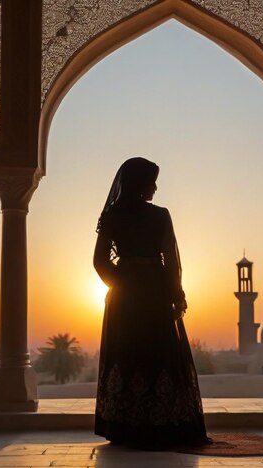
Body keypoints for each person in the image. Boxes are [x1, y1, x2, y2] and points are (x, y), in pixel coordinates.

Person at [93, 157, 211, 449]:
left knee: (128, 351)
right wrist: (175, 294)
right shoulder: (160, 216)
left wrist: (122, 283)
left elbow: (99, 262)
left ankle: (126, 427)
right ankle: (161, 424)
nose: (155, 187)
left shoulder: (112, 216)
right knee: (157, 352)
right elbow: (171, 260)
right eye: (151, 181)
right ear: (141, 183)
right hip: (154, 295)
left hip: (123, 299)